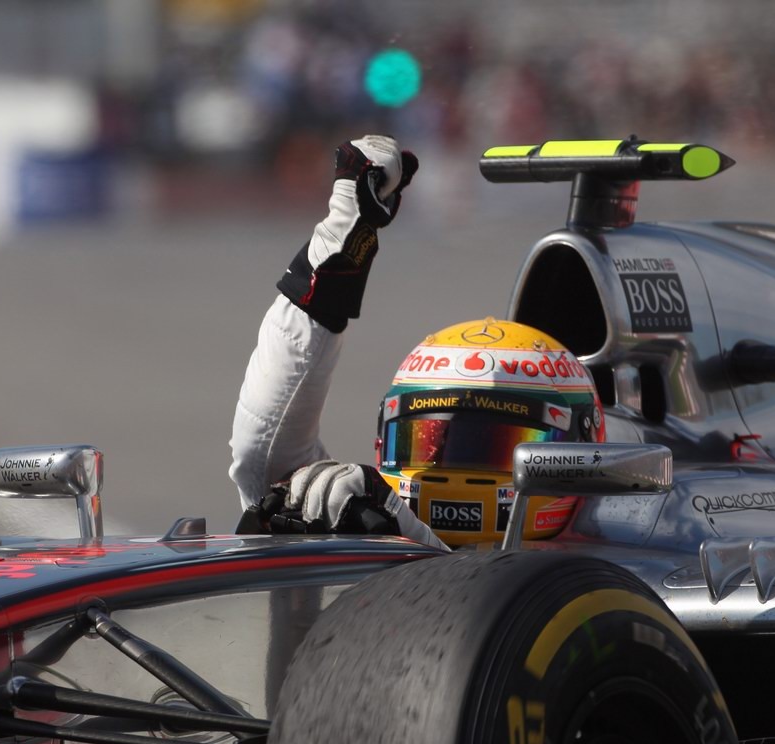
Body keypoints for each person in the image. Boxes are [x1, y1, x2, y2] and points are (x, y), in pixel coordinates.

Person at [229, 136, 604, 549]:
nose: (451, 468)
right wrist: (343, 238)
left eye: (496, 446)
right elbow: (264, 456)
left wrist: (403, 535)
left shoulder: (642, 560)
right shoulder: (376, 521)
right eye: (427, 442)